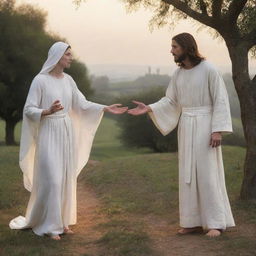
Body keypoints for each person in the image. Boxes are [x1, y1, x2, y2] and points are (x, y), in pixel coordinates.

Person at [9, 41, 127, 240]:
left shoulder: (69, 80)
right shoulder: (40, 80)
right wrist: (47, 111)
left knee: (64, 178)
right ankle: (49, 226)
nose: (71, 58)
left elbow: (81, 103)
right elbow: (29, 109)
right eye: (68, 54)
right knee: (53, 180)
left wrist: (105, 108)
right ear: (57, 56)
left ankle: (62, 223)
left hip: (65, 132)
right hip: (49, 132)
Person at [128, 32, 235, 237]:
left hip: (206, 124)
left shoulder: (209, 69)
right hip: (186, 125)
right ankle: (192, 221)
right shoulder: (178, 74)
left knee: (207, 173)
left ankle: (215, 223)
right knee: (187, 174)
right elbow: (170, 101)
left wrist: (217, 130)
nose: (171, 51)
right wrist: (149, 108)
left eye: (175, 47)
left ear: (186, 48)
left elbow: (220, 99)